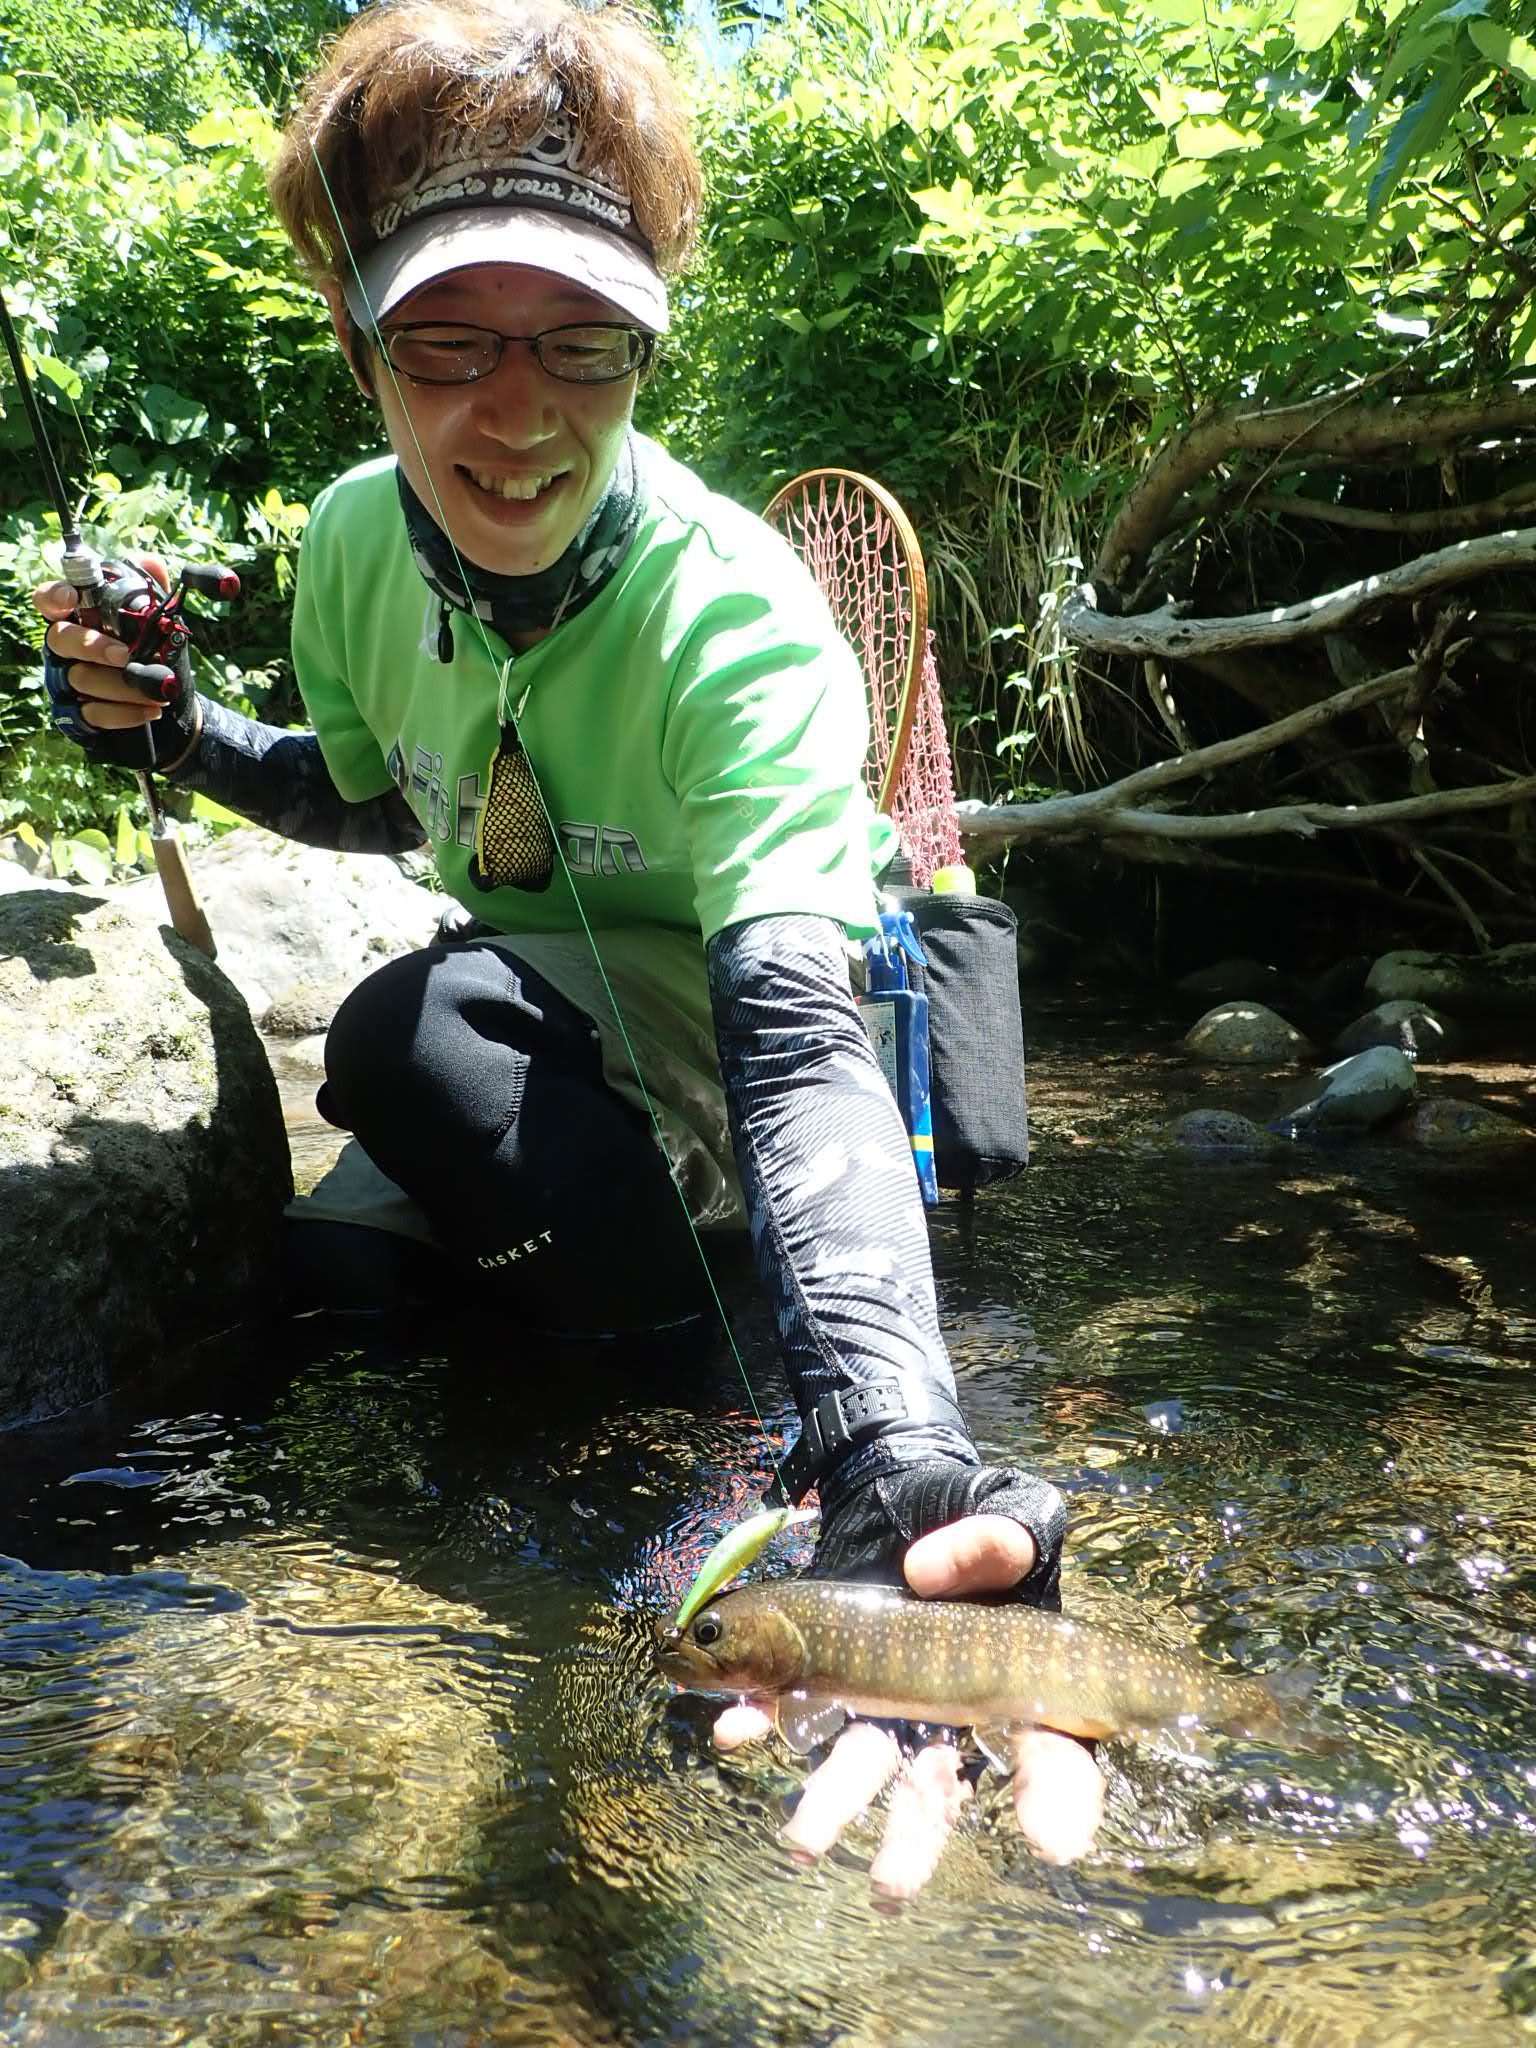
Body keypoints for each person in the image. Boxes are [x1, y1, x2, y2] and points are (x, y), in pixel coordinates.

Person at [33, 0, 1106, 1896]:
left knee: (414, 1040)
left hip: (751, 1027)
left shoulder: (743, 628)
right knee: (339, 1278)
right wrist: (181, 738)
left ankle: (725, 1444)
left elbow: (798, 1043)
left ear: (640, 348)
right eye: (447, 341)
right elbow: (380, 804)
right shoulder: (356, 546)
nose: (515, 412)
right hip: (550, 1014)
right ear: (360, 337)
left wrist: (888, 1452)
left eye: (581, 345)